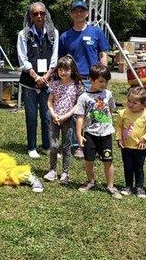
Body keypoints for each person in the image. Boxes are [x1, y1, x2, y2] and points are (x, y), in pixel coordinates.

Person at [59, 0, 110, 158]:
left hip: (93, 79)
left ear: (87, 13)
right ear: (71, 14)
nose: (79, 13)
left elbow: (103, 54)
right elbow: (61, 60)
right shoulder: (65, 36)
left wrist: (103, 76)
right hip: (74, 80)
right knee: (77, 114)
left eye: (82, 11)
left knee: (97, 112)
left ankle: (98, 144)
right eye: (76, 11)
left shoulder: (96, 32)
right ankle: (78, 145)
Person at [17, 1, 59, 158]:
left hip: (48, 81)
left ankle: (47, 146)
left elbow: (55, 57)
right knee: (31, 115)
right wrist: (36, 77)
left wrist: (46, 76)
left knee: (47, 116)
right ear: (30, 16)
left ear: (46, 13)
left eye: (42, 13)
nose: (39, 16)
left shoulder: (53, 32)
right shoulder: (23, 34)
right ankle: (32, 146)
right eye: (35, 13)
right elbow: (22, 59)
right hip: (30, 83)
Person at [75, 64, 122, 199]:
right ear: (91, 79)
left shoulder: (108, 94)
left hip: (106, 134)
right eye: (101, 81)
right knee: (89, 161)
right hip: (90, 134)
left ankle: (111, 186)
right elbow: (80, 117)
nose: (104, 84)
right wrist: (79, 134)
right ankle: (90, 181)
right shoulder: (84, 97)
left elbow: (111, 110)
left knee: (108, 160)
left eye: (106, 81)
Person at [44, 56, 84, 184]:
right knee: (54, 145)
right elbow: (50, 101)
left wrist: (66, 116)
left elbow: (78, 104)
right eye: (60, 69)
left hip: (68, 120)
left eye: (66, 70)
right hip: (54, 119)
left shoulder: (77, 85)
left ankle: (65, 172)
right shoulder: (54, 84)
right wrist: (54, 114)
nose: (63, 72)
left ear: (72, 70)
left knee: (66, 146)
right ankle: (52, 171)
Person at [115, 87, 146, 198]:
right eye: (129, 101)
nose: (130, 104)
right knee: (127, 167)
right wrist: (119, 138)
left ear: (143, 104)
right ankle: (128, 186)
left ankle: (139, 187)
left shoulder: (145, 114)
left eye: (135, 103)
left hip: (140, 147)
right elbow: (118, 126)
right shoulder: (122, 113)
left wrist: (144, 138)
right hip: (126, 146)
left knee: (138, 167)